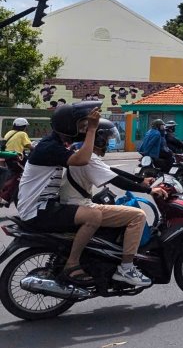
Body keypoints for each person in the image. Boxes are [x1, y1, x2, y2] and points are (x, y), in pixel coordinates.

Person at [60, 119, 168, 287]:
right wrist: (149, 190)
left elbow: (111, 171)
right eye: (108, 138)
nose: (109, 142)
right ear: (100, 139)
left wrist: (140, 180)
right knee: (138, 216)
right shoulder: (89, 158)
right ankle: (126, 268)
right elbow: (117, 180)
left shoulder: (82, 153)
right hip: (79, 205)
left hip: (73, 203)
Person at [16, 102, 106, 285]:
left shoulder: (54, 143)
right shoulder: (49, 148)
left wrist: (91, 129)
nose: (83, 128)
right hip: (38, 211)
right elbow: (82, 159)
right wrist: (92, 130)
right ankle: (72, 264)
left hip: (43, 206)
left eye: (84, 125)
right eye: (80, 125)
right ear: (68, 125)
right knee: (94, 216)